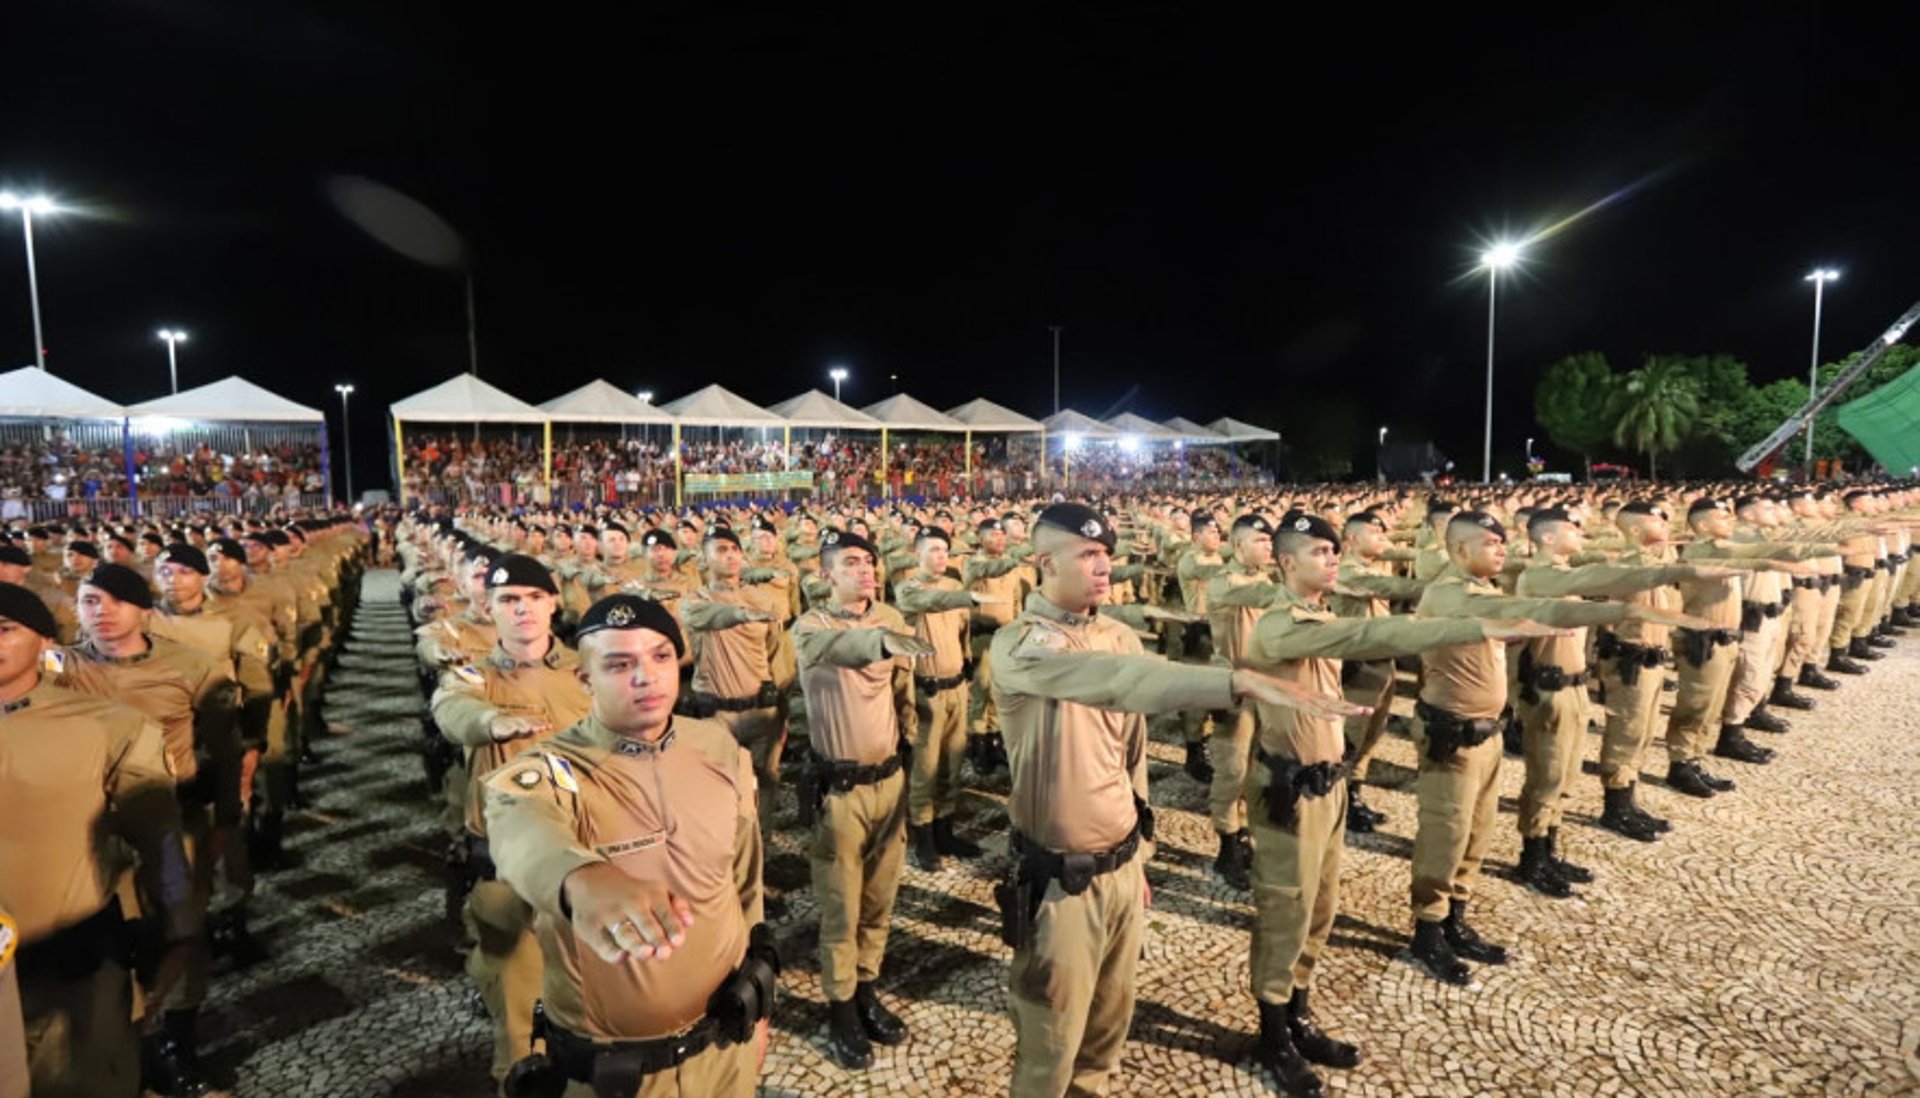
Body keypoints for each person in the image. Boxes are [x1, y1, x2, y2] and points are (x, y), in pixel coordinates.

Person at [989, 503, 1364, 1098]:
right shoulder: (1020, 646)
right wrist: (1236, 681)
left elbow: (1130, 749)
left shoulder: (1114, 633)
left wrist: (1139, 853)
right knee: (1048, 1049)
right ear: (1043, 563)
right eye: (1087, 555)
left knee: (1106, 1038)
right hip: (1061, 882)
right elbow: (1118, 682)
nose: (1103, 566)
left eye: (1106, 554)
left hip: (1118, 868)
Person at [1238, 512, 1559, 1096]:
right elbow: (1370, 637)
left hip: (1326, 784)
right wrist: (1437, 628)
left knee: (1322, 908)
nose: (1332, 560)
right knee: (1286, 909)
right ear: (1286, 563)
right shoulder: (1277, 626)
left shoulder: (1318, 613)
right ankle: (1271, 1031)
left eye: (1336, 552)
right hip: (1289, 792)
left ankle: (1299, 1013)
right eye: (1319, 553)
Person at [484, 594, 773, 1098]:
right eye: (620, 664)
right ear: (584, 678)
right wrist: (582, 878)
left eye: (660, 656)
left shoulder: (717, 747)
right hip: (621, 1076)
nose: (646, 676)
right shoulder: (554, 769)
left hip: (727, 1050)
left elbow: (744, 881)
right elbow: (522, 829)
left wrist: (760, 1008)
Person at [1405, 511, 1702, 985]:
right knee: (1447, 832)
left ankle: (1455, 919)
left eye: (1502, 542)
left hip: (1485, 730)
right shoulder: (1448, 594)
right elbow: (1545, 611)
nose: (1500, 548)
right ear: (1459, 550)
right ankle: (1428, 929)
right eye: (1488, 542)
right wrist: (1621, 610)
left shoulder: (1485, 592)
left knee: (1476, 832)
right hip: (1452, 734)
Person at [0, 582, 196, 1098]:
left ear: (45, 643)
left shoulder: (106, 726)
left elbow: (158, 836)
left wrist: (178, 927)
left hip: (68, 960)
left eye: (4, 630)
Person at [56, 564, 236, 1096]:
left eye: (115, 601)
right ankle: (134, 1043)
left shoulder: (192, 667)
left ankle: (179, 1037)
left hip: (170, 817)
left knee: (182, 928)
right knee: (110, 937)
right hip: (91, 826)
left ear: (143, 610)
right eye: (90, 602)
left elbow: (224, 749)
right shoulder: (60, 669)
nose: (102, 613)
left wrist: (227, 817)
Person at [431, 554, 594, 1088]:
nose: (522, 610)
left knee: (589, 1004)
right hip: (506, 868)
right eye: (508, 601)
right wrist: (490, 721)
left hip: (579, 858)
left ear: (553, 604)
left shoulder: (586, 670)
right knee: (520, 1025)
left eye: (532, 598)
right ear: (490, 608)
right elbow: (453, 710)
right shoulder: (474, 675)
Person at [792, 528, 928, 1069]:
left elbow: (900, 693)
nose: (867, 569)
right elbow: (836, 649)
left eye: (870, 561)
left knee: (879, 898)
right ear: (827, 575)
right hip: (840, 790)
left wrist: (910, 742)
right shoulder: (810, 627)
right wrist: (878, 641)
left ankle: (867, 986)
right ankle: (841, 1002)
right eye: (852, 562)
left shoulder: (891, 619)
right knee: (840, 904)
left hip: (888, 782)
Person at [892, 525, 1002, 871]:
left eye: (945, 550)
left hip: (956, 687)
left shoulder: (955, 586)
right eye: (934, 550)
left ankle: (945, 829)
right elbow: (928, 602)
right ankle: (923, 838)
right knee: (925, 768)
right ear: (917, 553)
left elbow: (961, 633)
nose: (941, 557)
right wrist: (964, 598)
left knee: (952, 764)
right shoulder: (908, 588)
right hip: (927, 691)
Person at [679, 528, 785, 837]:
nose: (729, 555)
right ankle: (724, 845)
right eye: (721, 549)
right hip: (717, 713)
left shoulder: (764, 600)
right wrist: (740, 613)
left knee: (768, 778)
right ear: (704, 558)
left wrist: (781, 705)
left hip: (760, 708)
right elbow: (705, 617)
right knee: (718, 782)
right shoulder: (695, 601)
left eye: (734, 549)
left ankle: (760, 843)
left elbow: (774, 652)